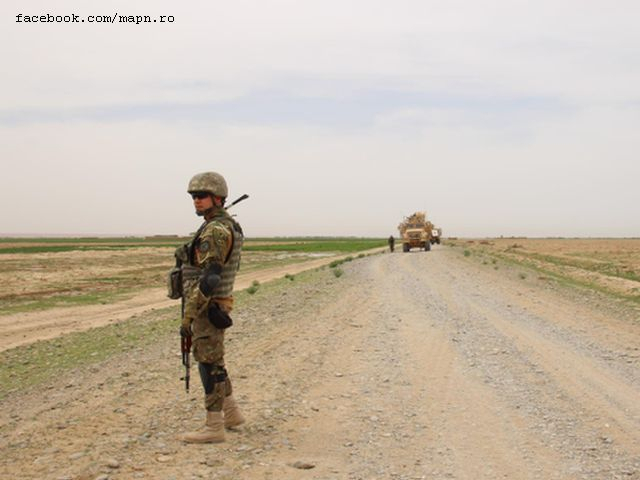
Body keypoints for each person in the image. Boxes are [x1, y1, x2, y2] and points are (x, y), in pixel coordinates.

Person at [175, 171, 245, 443]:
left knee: (208, 365)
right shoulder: (224, 225)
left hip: (209, 305)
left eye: (201, 196)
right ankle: (232, 413)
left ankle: (213, 428)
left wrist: (190, 313)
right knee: (214, 361)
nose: (196, 201)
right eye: (193, 196)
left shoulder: (216, 229)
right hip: (216, 304)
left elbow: (211, 276)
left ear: (218, 198)